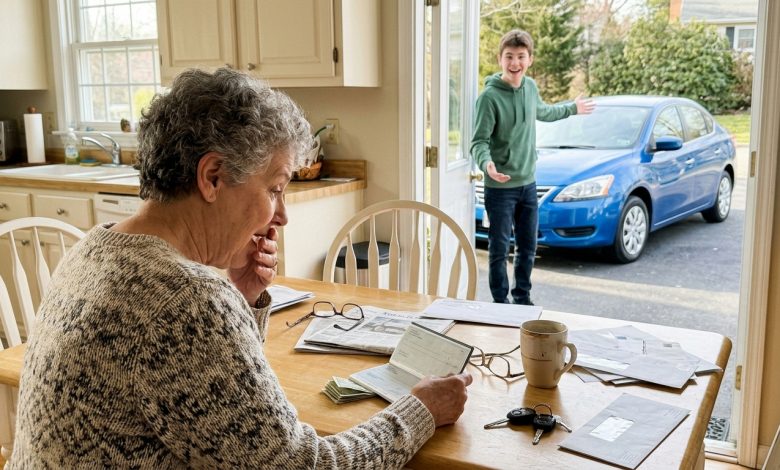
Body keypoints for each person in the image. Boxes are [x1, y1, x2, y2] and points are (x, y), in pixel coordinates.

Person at [9, 68, 472, 468]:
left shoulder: (97, 247)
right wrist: (421, 409)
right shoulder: (183, 301)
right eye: (275, 187)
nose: (282, 214)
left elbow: (224, 425)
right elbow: (302, 466)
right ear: (212, 177)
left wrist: (243, 298)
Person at [470, 29, 595, 305]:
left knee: (527, 247)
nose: (515, 63)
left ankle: (522, 298)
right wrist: (487, 164)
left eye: (521, 57)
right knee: (499, 249)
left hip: (528, 185)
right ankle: (500, 304)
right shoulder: (489, 98)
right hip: (500, 188)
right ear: (500, 59)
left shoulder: (530, 87)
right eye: (509, 57)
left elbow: (543, 111)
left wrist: (572, 108)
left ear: (530, 59)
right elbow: (478, 141)